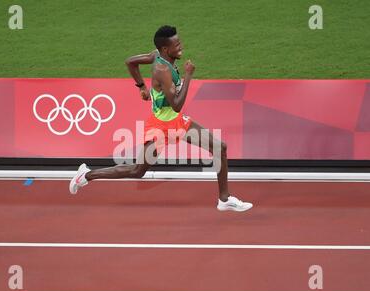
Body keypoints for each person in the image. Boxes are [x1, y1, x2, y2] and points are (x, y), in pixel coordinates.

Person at [69, 25, 253, 212]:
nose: (181, 46)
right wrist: (189, 75)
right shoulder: (161, 70)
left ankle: (224, 199)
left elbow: (130, 62)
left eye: (179, 42)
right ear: (166, 49)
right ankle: (86, 175)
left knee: (219, 147)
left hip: (177, 122)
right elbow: (177, 104)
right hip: (161, 128)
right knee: (138, 171)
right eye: (177, 44)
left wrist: (141, 86)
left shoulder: (156, 55)